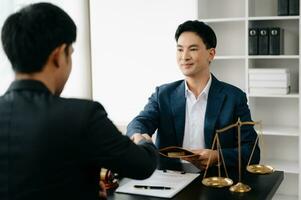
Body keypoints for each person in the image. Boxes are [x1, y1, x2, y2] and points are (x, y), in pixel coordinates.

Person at [0, 3, 157, 200]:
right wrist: (145, 142)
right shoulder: (81, 116)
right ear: (59, 55)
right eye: (71, 54)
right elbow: (142, 166)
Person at [127, 20, 260, 170]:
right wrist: (139, 136)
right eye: (180, 49)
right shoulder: (163, 94)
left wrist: (218, 156)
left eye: (193, 49)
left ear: (211, 54)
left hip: (215, 179)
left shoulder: (234, 97)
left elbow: (252, 151)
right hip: (169, 178)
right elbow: (138, 123)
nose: (184, 57)